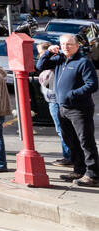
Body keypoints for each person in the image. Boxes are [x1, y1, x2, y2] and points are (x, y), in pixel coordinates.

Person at [36, 36, 99, 186]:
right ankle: (79, 169)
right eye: (63, 44)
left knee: (85, 141)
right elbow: (39, 66)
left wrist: (72, 94)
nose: (66, 47)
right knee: (71, 141)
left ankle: (93, 174)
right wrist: (48, 53)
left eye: (69, 44)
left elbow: (92, 85)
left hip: (79, 109)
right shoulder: (59, 60)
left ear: (77, 46)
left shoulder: (83, 62)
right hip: (62, 108)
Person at [37, 42, 73, 170]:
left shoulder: (54, 64)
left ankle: (69, 157)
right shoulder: (54, 62)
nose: (39, 55)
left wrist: (47, 55)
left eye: (40, 52)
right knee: (63, 130)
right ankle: (69, 155)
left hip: (55, 100)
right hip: (54, 100)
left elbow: (47, 81)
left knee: (62, 130)